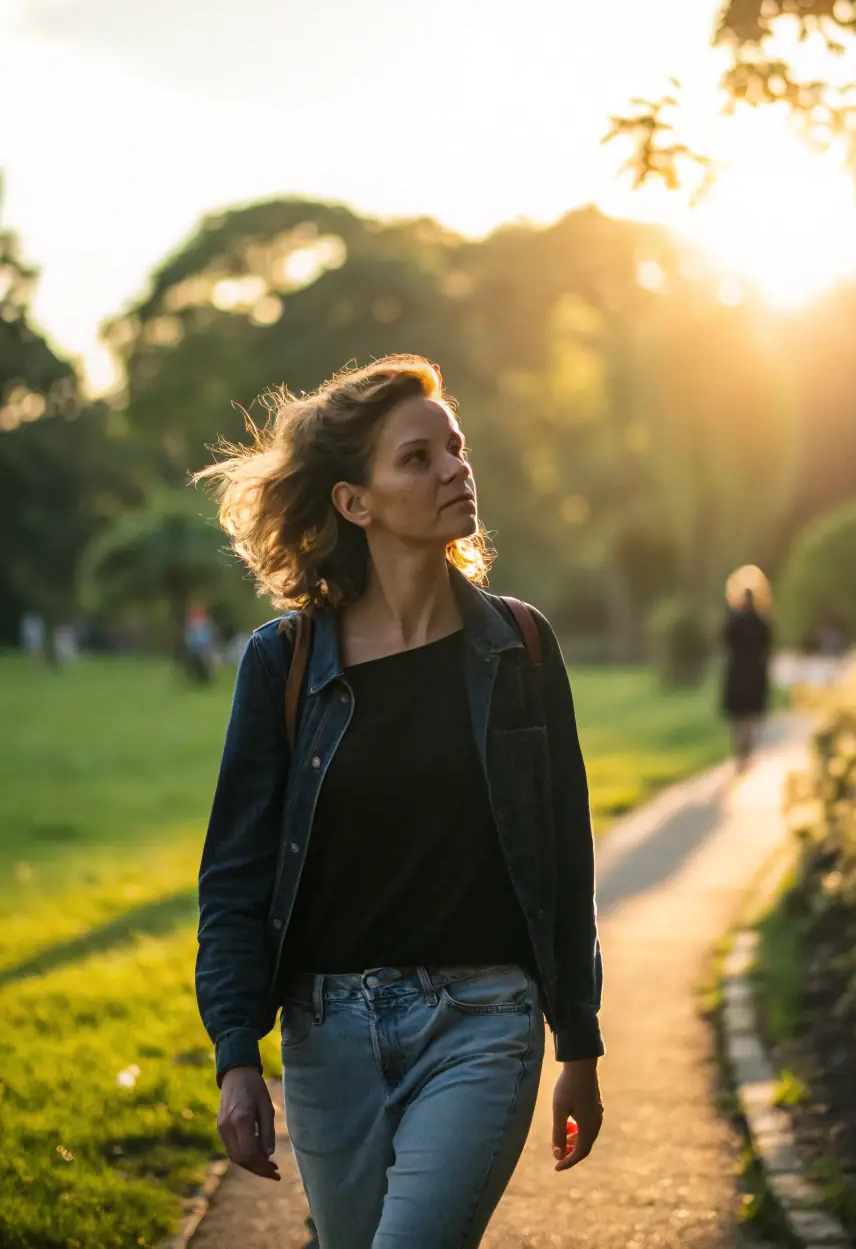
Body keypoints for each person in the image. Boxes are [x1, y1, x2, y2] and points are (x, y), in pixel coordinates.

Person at [194, 355, 604, 1249]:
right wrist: (235, 1053)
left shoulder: (521, 648)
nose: (455, 467)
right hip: (327, 1037)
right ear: (355, 502)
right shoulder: (284, 664)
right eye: (418, 457)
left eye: (454, 446)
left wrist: (578, 1039)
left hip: (484, 1024)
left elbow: (565, 857)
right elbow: (234, 873)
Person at [722, 585, 772, 770]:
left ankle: (740, 753)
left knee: (739, 718)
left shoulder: (734, 621)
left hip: (738, 673)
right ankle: (745, 753)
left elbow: (725, 642)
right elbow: (767, 648)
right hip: (753, 674)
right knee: (749, 717)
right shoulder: (760, 622)